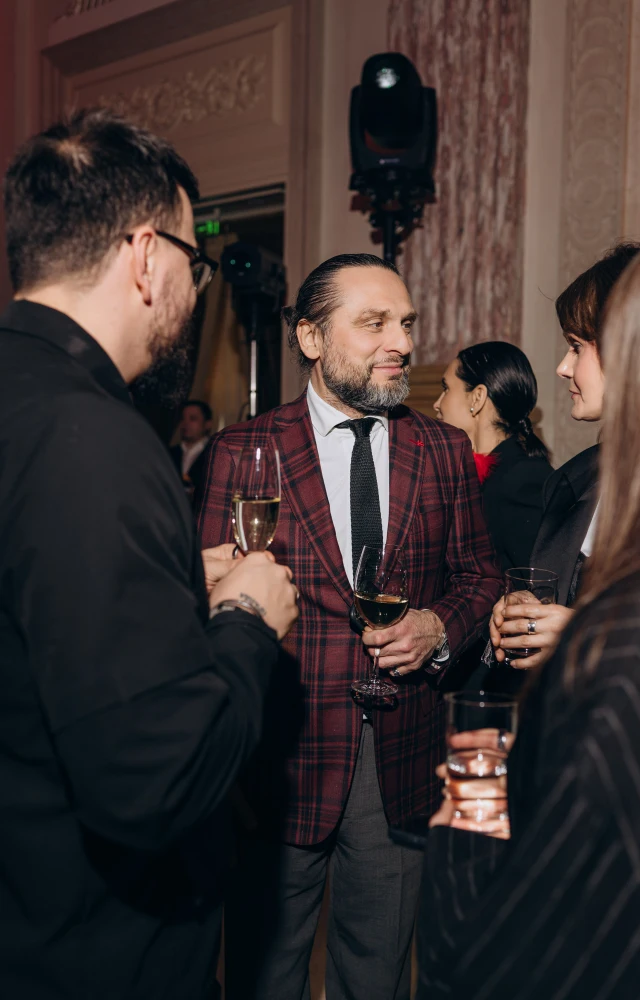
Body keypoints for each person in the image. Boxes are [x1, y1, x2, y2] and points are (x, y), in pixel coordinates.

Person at [0, 108, 298, 1000]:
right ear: (143, 256)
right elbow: (158, 779)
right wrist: (246, 620)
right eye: (191, 262)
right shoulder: (95, 435)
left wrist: (172, 591)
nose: (196, 290)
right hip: (91, 948)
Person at [198, 253, 503, 1000]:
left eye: (406, 323)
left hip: (398, 760)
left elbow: (481, 577)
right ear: (310, 337)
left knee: (377, 975)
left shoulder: (442, 449)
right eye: (373, 323)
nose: (401, 342)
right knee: (263, 975)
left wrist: (435, 627)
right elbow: (209, 603)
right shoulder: (243, 450)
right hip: (276, 758)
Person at [416, 232, 640, 1000]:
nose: (559, 367)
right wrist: (512, 616)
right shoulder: (578, 477)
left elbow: (503, 953)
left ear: (638, 354)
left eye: (577, 347)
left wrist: (471, 793)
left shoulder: (634, 638)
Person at [490, 242, 640, 671]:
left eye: (576, 347)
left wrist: (583, 633)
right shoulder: (569, 480)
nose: (562, 367)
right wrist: (522, 610)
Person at [433, 341, 552, 571]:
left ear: (477, 398)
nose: (437, 404)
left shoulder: (523, 479)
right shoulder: (470, 472)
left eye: (446, 388)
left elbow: (537, 579)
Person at [169, 398, 213, 498]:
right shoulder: (169, 453)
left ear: (207, 424)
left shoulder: (215, 454)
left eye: (193, 419)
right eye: (182, 418)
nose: (185, 423)